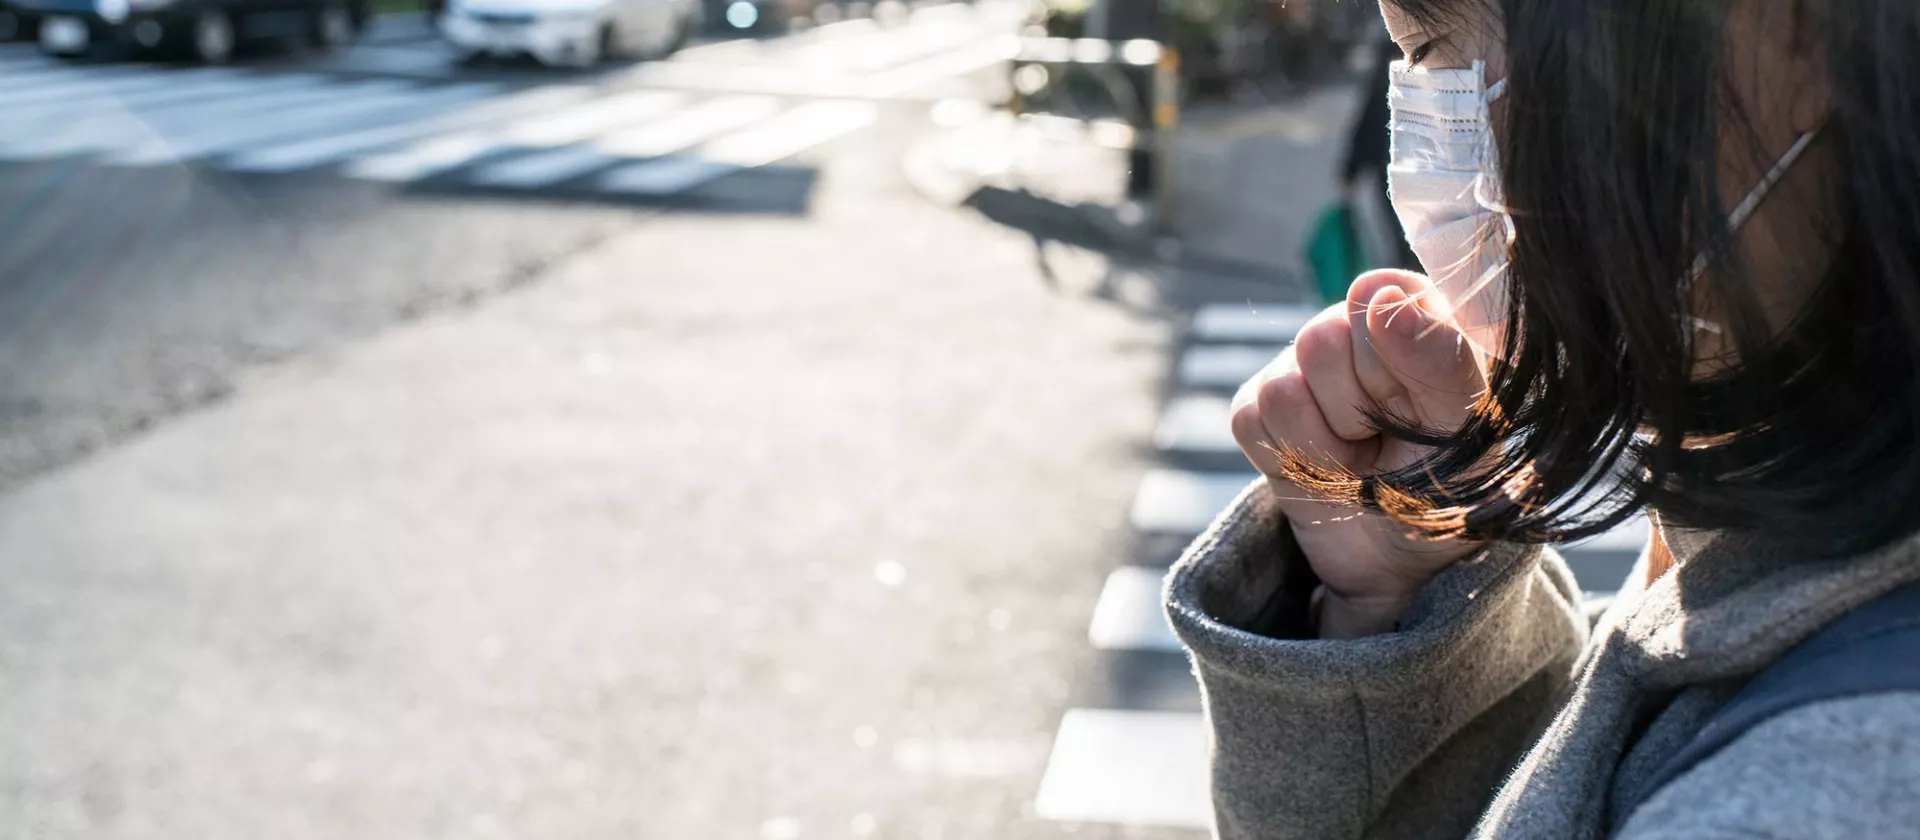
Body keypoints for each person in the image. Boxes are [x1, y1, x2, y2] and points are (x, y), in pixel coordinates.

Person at [1165, 0, 1920, 837]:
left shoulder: (1825, 791)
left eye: (1437, 44)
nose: (1431, 112)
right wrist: (1390, 611)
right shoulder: (1758, 524)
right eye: (1414, 58)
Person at [1339, 34, 1420, 270]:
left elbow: (1371, 111)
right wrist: (1350, 168)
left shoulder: (1396, 43)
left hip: (1394, 170)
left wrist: (1350, 169)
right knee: (1408, 240)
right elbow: (1373, 111)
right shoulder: (1401, 44)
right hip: (1396, 168)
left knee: (1407, 240)